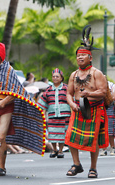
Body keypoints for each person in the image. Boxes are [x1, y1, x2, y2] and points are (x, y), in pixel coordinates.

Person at [0, 41, 45, 176]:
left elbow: (18, 91)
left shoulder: (9, 70)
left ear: (1, 54)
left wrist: (4, 101)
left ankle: (2, 166)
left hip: (5, 107)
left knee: (0, 137)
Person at [65, 28, 109, 178]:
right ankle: (76, 164)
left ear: (90, 58)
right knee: (70, 136)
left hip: (94, 110)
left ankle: (93, 168)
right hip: (77, 109)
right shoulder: (73, 74)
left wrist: (89, 94)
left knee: (93, 139)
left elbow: (103, 92)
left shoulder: (97, 74)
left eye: (83, 55)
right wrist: (71, 104)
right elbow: (69, 94)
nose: (80, 57)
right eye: (78, 55)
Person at [37, 68, 71, 158]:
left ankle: (60, 151)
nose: (55, 78)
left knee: (62, 134)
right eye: (53, 76)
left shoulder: (66, 88)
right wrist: (42, 115)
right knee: (52, 133)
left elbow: (72, 100)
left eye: (57, 76)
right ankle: (54, 149)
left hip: (64, 115)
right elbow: (43, 103)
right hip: (52, 114)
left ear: (61, 78)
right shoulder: (48, 90)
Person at [100, 81, 115, 156]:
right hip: (100, 107)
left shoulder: (111, 85)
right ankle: (104, 149)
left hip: (109, 107)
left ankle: (113, 147)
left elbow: (114, 98)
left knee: (110, 130)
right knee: (102, 129)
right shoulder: (97, 85)